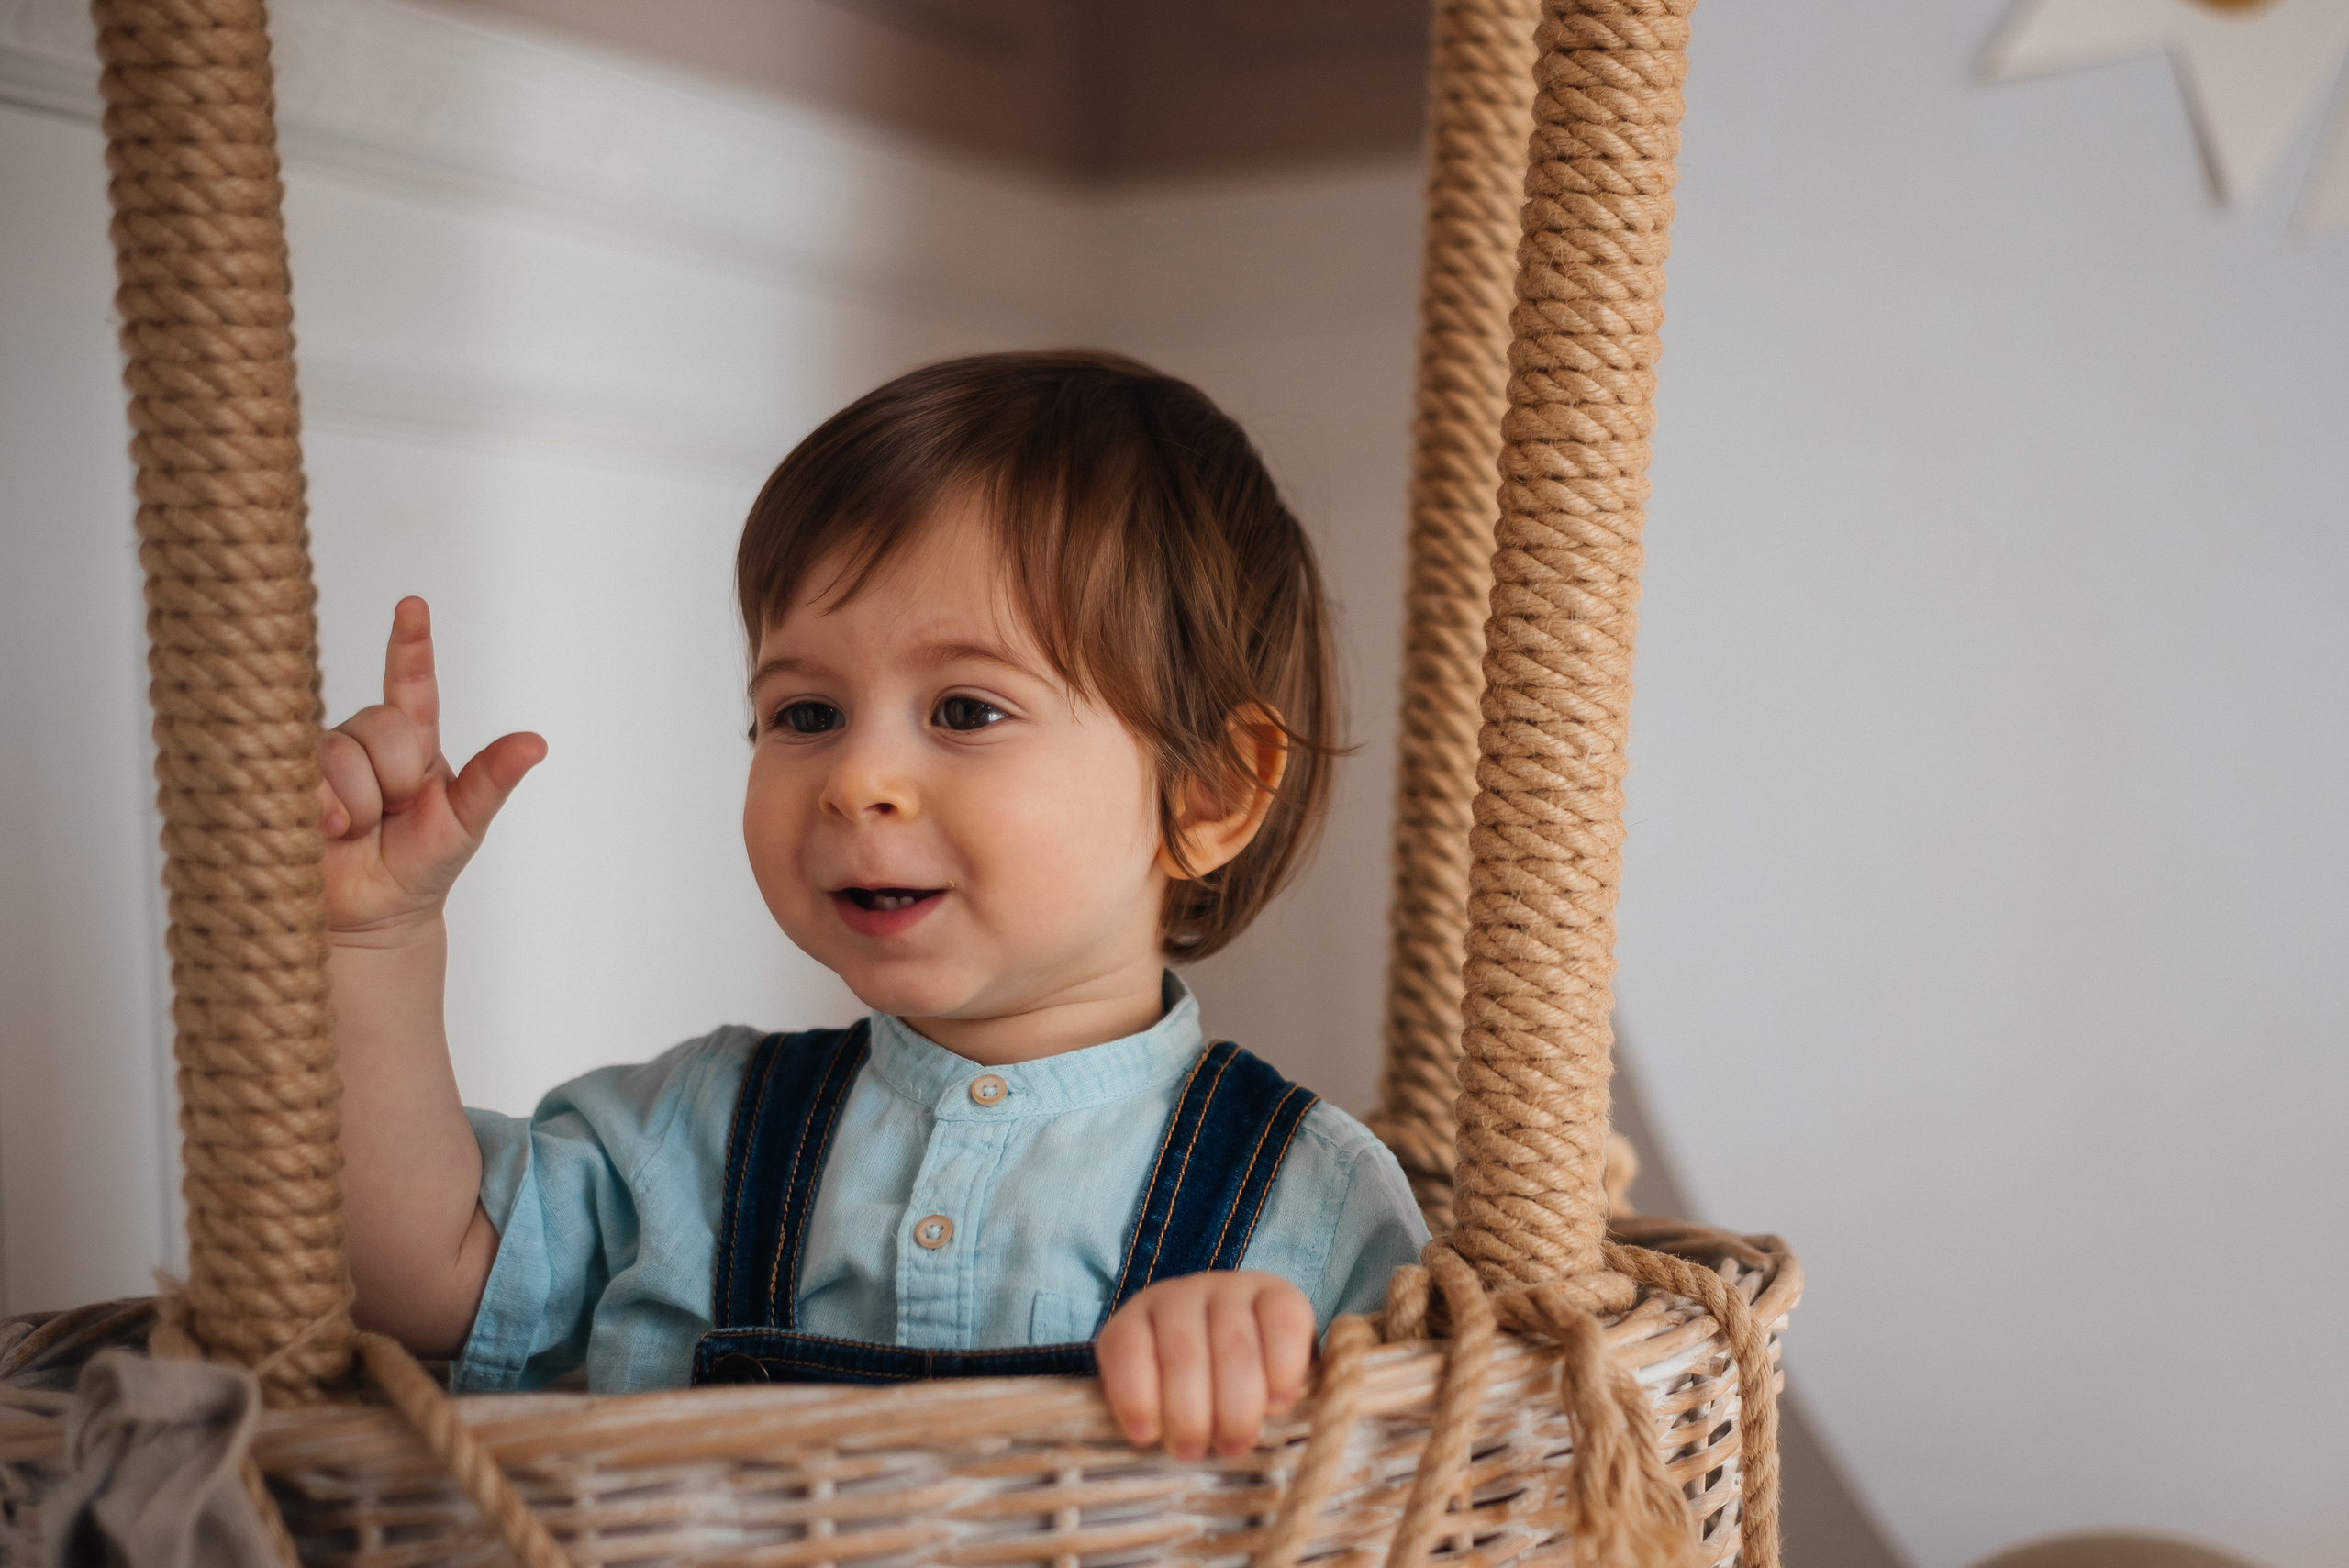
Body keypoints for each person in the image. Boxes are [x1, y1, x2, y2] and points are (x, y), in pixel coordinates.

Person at [319, 350, 1429, 1462]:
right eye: (804, 713)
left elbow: (1426, 1490)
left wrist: (1260, 1357)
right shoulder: (696, 1131)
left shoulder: (1303, 1195)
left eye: (963, 707)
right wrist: (377, 942)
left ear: (1210, 790)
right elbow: (420, 1285)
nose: (856, 779)